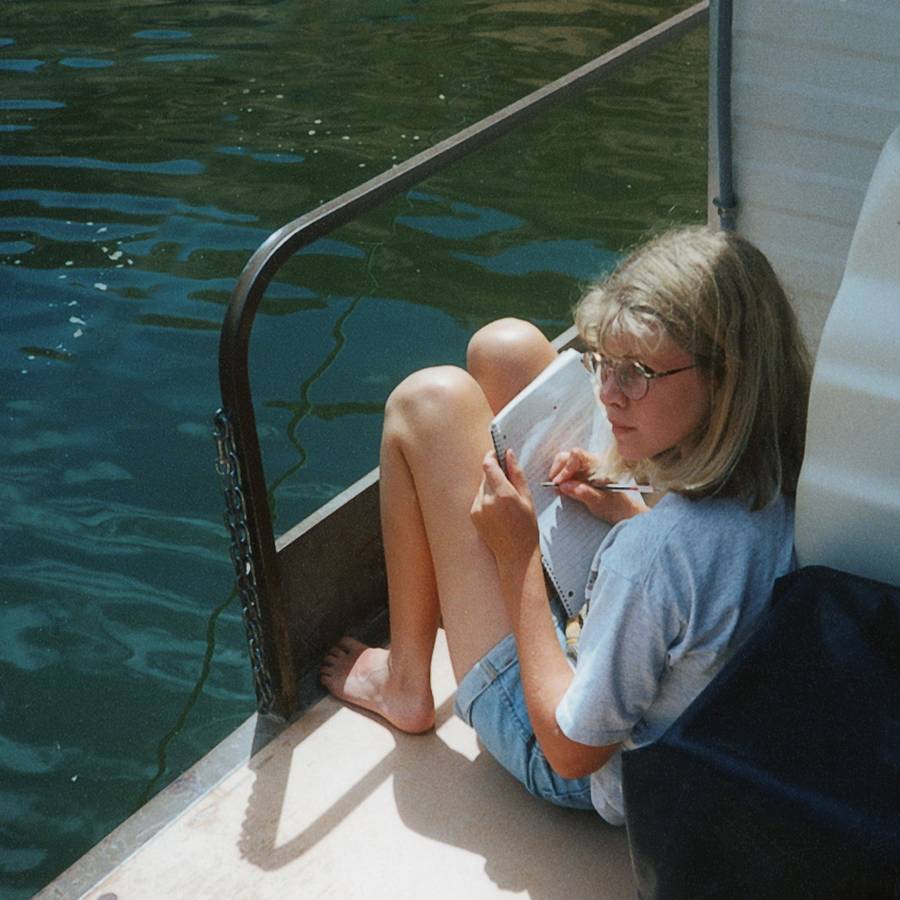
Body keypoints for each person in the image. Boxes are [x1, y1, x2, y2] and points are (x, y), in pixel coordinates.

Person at [320, 225, 812, 825]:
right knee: (507, 347)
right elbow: (697, 591)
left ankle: (404, 683)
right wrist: (629, 503)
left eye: (637, 373)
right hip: (674, 697)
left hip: (579, 759)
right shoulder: (788, 469)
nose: (607, 392)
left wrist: (518, 555)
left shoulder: (652, 559)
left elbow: (571, 750)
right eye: (603, 361)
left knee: (427, 403)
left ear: (726, 377)